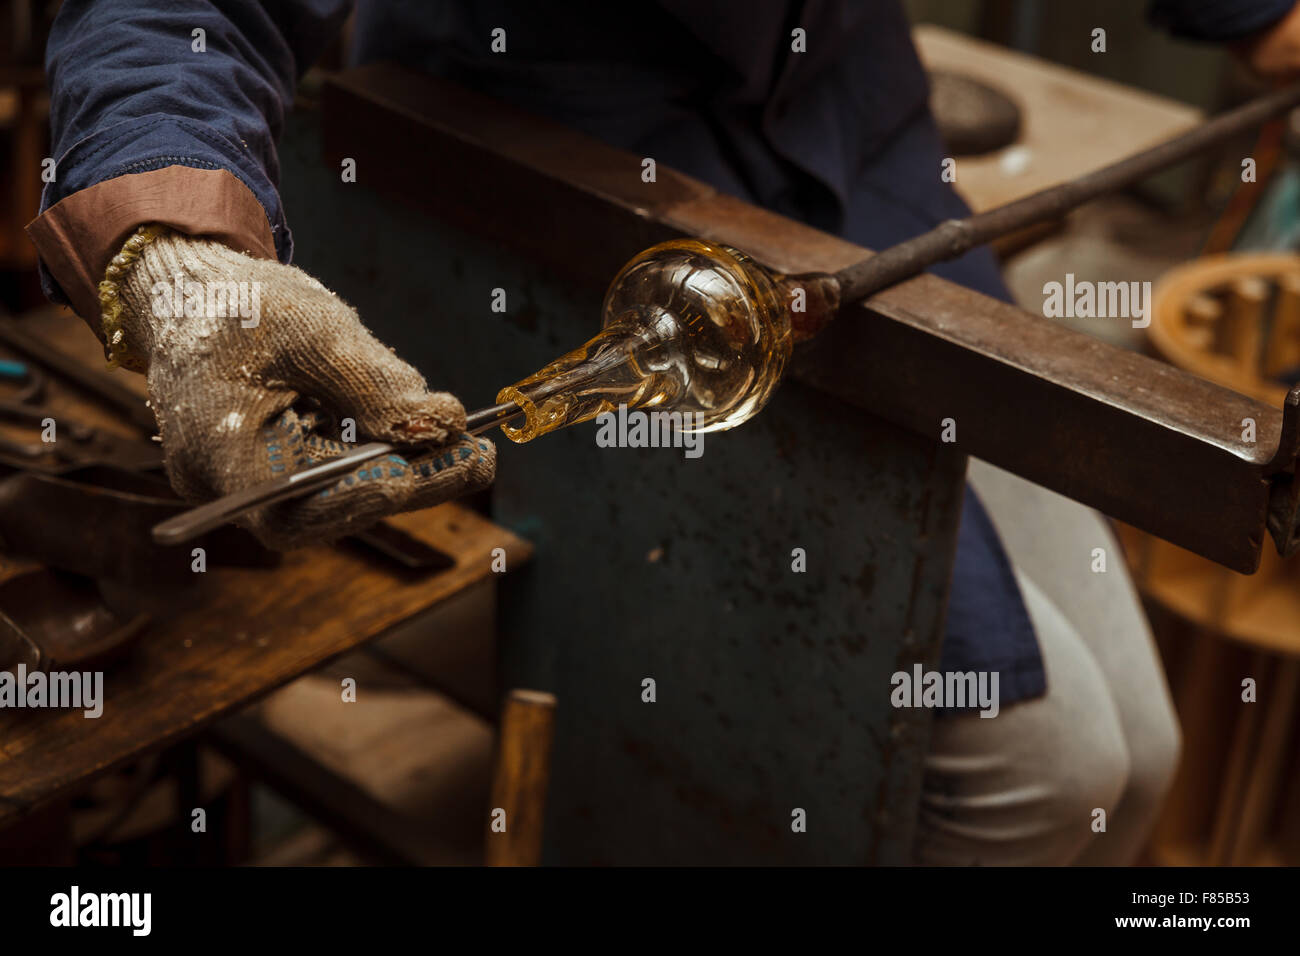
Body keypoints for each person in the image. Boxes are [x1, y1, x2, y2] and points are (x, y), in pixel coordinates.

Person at [27, 0, 1298, 864]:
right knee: (1040, 770)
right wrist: (176, 244)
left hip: (853, 152)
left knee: (1137, 750)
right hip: (571, 186)